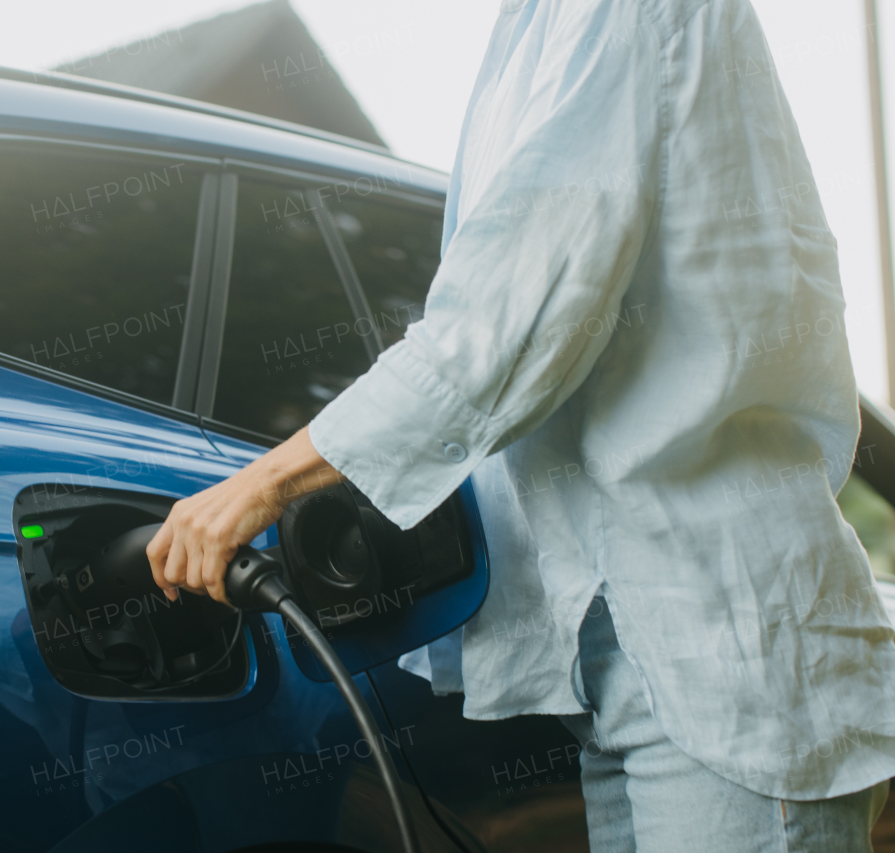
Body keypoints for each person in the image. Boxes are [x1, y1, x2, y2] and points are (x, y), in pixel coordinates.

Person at [146, 0, 895, 848]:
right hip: (617, 663)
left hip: (724, 651)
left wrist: (264, 481)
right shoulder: (530, 30)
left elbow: (515, 310)